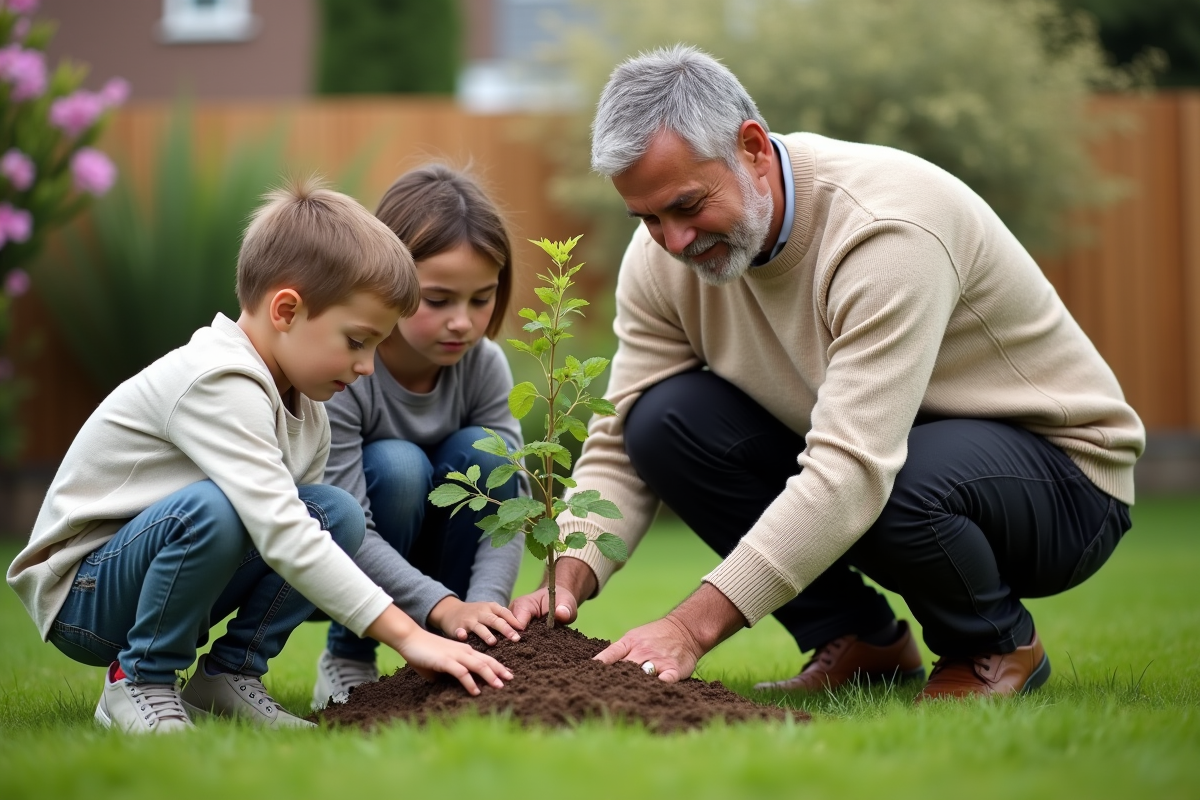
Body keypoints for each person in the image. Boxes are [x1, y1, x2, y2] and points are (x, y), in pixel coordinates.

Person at [510, 45, 1145, 701]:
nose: (673, 241)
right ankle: (860, 640)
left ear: (752, 148)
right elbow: (619, 444)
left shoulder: (886, 228)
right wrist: (567, 577)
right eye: (648, 218)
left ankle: (992, 644)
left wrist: (689, 629)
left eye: (688, 205)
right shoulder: (661, 262)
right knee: (660, 421)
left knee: (896, 479)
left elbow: (854, 467)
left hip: (1062, 483)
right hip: (896, 459)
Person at [6, 177, 512, 735]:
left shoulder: (307, 406)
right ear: (286, 310)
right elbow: (280, 530)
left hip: (167, 582)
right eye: (357, 341)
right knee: (216, 508)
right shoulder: (217, 380)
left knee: (334, 513)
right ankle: (140, 677)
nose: (368, 366)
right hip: (84, 596)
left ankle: (228, 675)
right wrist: (411, 636)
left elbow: (301, 536)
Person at [311, 164, 526, 709]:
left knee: (487, 455)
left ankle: (461, 648)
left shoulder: (484, 366)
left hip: (446, 556)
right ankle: (349, 653)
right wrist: (442, 606)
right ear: (388, 282)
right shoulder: (346, 372)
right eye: (438, 299)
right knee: (400, 466)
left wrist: (483, 612)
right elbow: (346, 530)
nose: (463, 323)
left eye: (481, 298)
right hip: (339, 557)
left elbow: (511, 505)